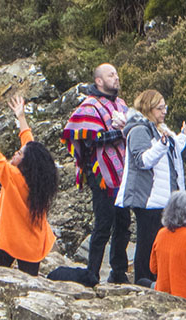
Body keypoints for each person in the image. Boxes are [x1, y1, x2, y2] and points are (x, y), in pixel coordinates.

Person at [0, 96, 58, 276]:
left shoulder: (12, 176)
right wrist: (21, 117)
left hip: (9, 240)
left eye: (18, 154)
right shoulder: (38, 180)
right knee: (30, 284)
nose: (15, 154)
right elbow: (29, 143)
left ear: (25, 163)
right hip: (32, 244)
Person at [62, 63, 131, 284]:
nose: (116, 77)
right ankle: (92, 272)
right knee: (103, 224)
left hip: (122, 174)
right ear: (99, 81)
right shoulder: (89, 106)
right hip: (101, 173)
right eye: (111, 75)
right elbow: (90, 138)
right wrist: (120, 133)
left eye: (116, 74)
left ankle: (118, 271)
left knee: (123, 223)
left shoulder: (121, 104)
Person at [115, 89, 186, 282]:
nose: (164, 112)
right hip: (147, 198)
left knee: (159, 242)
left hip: (162, 197)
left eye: (165, 107)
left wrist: (181, 138)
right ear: (148, 108)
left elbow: (170, 151)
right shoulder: (139, 130)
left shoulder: (160, 129)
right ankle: (143, 281)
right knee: (147, 243)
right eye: (160, 108)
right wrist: (162, 145)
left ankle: (156, 280)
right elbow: (143, 160)